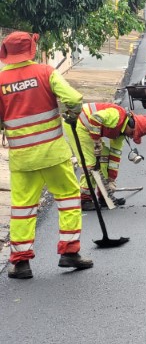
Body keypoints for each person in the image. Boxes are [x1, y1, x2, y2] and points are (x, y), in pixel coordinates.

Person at [0, 31, 93, 278]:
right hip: (53, 154)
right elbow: (74, 98)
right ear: (31, 48)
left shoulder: (1, 80)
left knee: (22, 207)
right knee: (68, 197)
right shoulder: (45, 72)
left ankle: (20, 263)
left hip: (22, 158)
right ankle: (69, 252)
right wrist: (71, 114)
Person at [63, 103, 146, 211]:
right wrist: (96, 140)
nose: (131, 137)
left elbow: (115, 155)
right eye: (133, 134)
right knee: (91, 164)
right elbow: (95, 118)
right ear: (132, 124)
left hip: (88, 129)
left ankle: (105, 197)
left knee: (104, 159)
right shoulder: (117, 116)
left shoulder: (121, 133)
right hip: (77, 123)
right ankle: (84, 199)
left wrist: (111, 179)